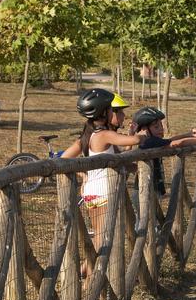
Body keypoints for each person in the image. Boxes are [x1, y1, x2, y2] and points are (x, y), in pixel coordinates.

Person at [61, 90, 143, 272]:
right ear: (104, 113)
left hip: (91, 192)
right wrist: (142, 134)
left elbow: (64, 158)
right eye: (111, 110)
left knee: (99, 235)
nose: (115, 113)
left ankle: (85, 270)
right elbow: (135, 139)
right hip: (105, 192)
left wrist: (84, 175)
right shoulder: (104, 134)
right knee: (103, 239)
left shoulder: (87, 136)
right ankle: (90, 277)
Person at [132, 106, 196, 195]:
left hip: (149, 189)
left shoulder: (151, 141)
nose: (161, 129)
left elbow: (170, 140)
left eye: (161, 125)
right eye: (156, 127)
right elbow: (178, 143)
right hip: (145, 192)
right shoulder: (150, 141)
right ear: (144, 130)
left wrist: (188, 134)